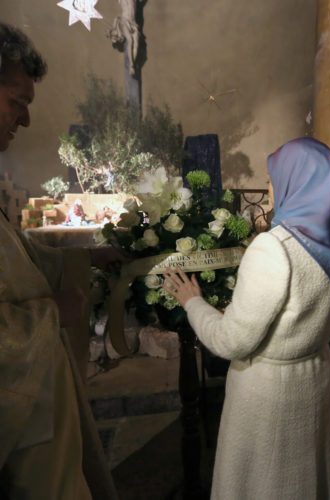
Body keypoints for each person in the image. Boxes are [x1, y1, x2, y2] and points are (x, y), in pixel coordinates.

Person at [164, 137, 330, 499]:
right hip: (314, 374)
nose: (269, 188)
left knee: (266, 483)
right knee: (303, 481)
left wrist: (193, 303)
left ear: (294, 182)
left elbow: (232, 341)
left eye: (273, 178)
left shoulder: (274, 247)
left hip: (269, 390)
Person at [0, 23, 122, 499]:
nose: (25, 120)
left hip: (36, 405)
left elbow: (21, 262)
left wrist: (88, 259)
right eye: (16, 101)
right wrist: (52, 313)